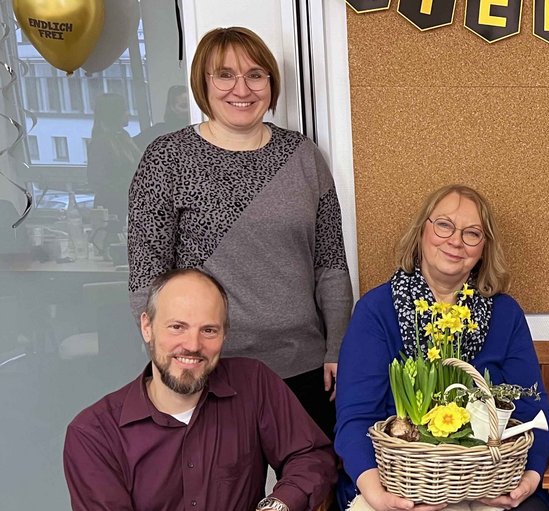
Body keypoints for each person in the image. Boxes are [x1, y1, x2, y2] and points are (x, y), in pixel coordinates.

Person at [127, 27, 353, 440]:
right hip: (210, 366)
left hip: (303, 365)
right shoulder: (167, 158)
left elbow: (331, 264)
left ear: (270, 83)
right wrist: (169, 359)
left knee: (314, 486)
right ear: (203, 83)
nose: (241, 88)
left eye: (255, 75)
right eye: (224, 75)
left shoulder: (302, 156)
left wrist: (337, 347)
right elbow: (147, 274)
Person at [335, 184, 549, 511]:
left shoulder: (505, 313)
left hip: (487, 479)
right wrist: (379, 496)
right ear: (421, 231)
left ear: (484, 248)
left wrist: (529, 479)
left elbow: (530, 406)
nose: (455, 240)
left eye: (472, 233)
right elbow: (355, 417)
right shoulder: (377, 310)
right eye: (444, 225)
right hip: (401, 481)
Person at [63, 268, 336, 511]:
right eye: (177, 327)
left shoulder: (253, 382)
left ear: (225, 335)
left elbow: (310, 456)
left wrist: (277, 505)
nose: (193, 345)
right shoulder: (93, 435)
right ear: (147, 327)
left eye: (208, 330)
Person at [87, 93, 141, 225]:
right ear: (114, 114)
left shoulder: (123, 136)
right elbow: (98, 180)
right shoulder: (101, 143)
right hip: (113, 207)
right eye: (124, 110)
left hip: (128, 202)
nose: (128, 113)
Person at [134, 85, 190, 151]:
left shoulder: (199, 128)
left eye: (191, 106)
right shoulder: (158, 131)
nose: (188, 110)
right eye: (183, 106)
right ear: (172, 107)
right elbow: (134, 145)